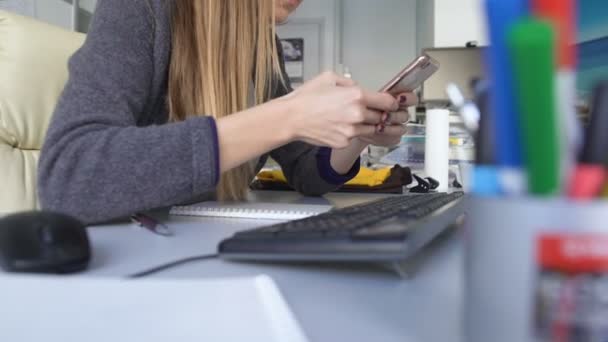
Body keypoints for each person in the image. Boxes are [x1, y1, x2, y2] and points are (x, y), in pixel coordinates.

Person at [38, 0, 416, 224]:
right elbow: (69, 177)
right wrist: (285, 117)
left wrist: (356, 138)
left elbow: (305, 172)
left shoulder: (263, 48)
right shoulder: (141, 9)